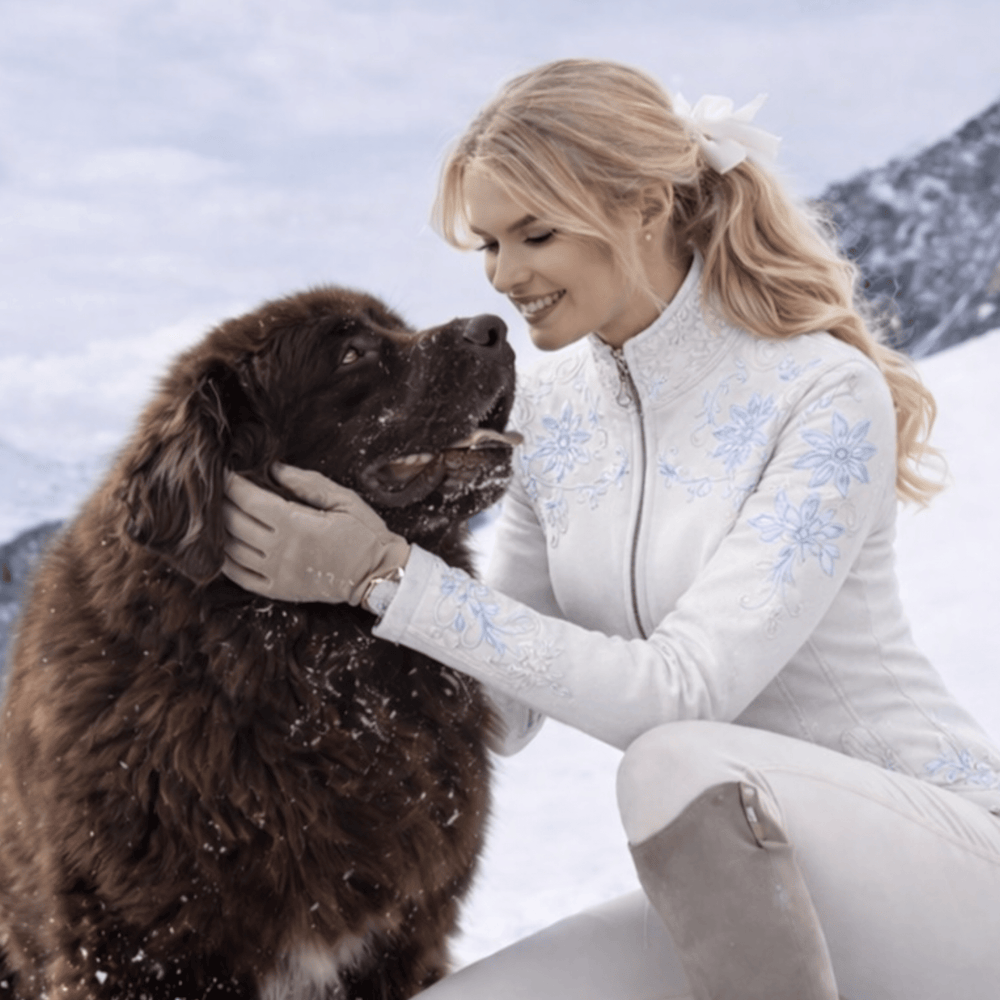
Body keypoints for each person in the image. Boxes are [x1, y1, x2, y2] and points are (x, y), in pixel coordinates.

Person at [221, 59, 1000, 1000]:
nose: (507, 276)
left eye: (535, 234)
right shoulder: (552, 412)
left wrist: (383, 575)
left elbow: (681, 697)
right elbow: (496, 712)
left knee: (676, 759)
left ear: (643, 205)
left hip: (951, 872)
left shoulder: (822, 393)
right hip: (747, 889)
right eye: (488, 246)